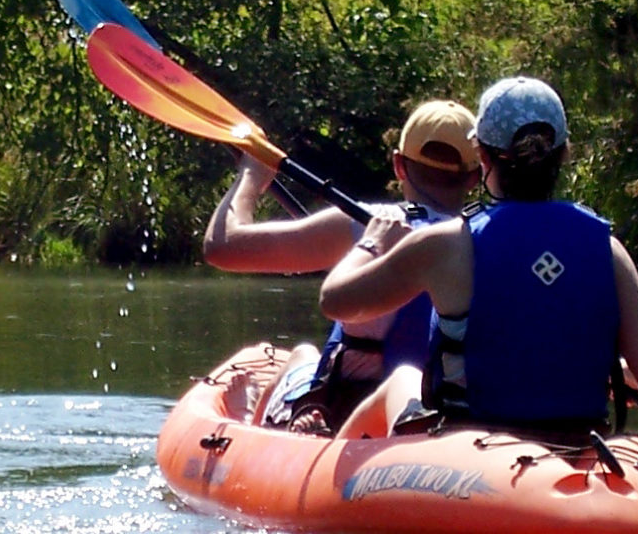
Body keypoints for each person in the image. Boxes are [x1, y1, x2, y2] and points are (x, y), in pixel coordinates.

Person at [320, 76, 638, 428]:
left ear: (481, 156)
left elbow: (336, 301)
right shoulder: (608, 249)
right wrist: (608, 367)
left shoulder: (445, 244)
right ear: (565, 153)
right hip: (577, 439)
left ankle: (328, 465)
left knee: (403, 377)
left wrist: (371, 242)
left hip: (473, 446)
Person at [203, 98, 479, 427]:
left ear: (398, 166)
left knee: (302, 354)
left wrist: (251, 176)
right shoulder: (483, 236)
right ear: (474, 177)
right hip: (444, 404)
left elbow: (222, 247)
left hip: (352, 404)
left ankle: (249, 419)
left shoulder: (371, 224)